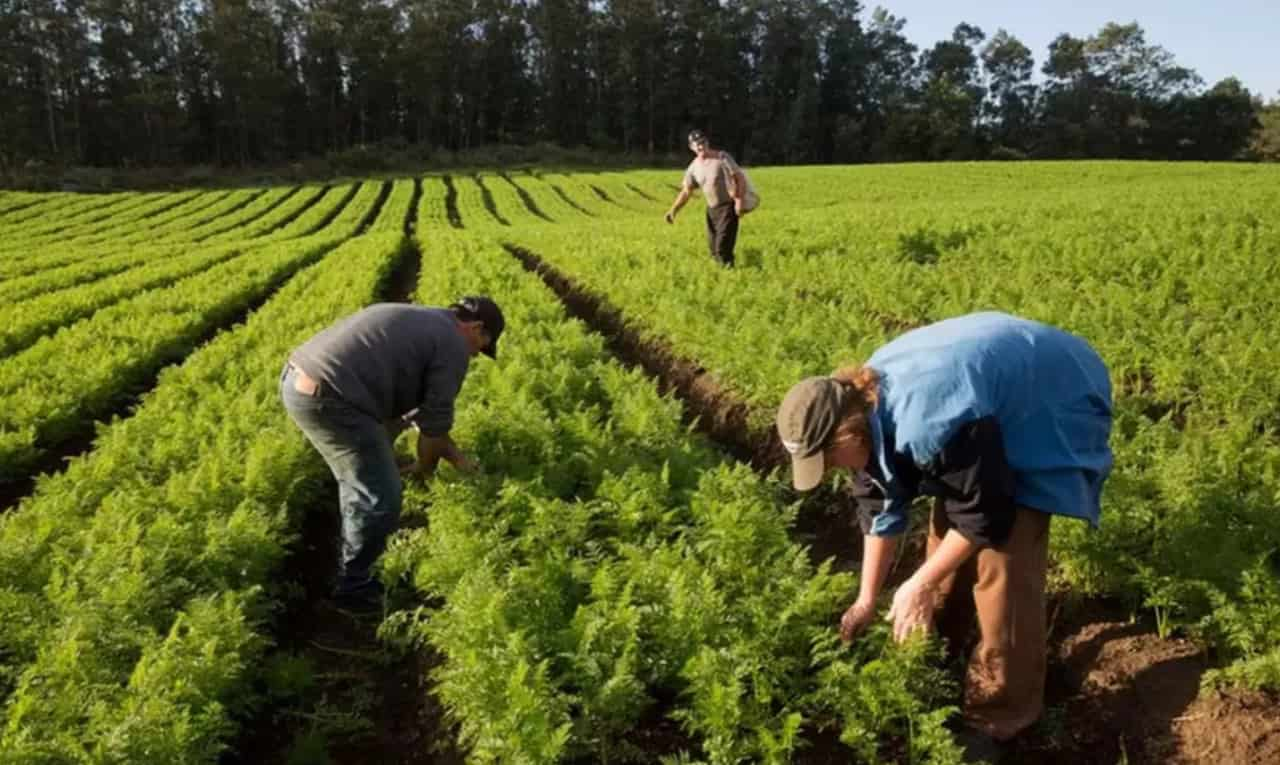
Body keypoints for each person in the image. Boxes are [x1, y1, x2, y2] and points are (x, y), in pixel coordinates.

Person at [775, 311, 1113, 761]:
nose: (834, 471)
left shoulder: (929, 421)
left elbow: (984, 511)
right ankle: (945, 649)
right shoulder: (861, 411)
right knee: (944, 538)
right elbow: (879, 507)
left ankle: (1001, 712)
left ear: (846, 433)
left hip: (1051, 393)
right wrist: (866, 599)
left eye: (830, 460)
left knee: (1002, 557)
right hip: (983, 399)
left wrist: (918, 582)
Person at [281, 296, 505, 611]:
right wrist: (443, 466)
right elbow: (434, 429)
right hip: (333, 398)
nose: (476, 354)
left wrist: (435, 460)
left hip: (300, 377)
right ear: (477, 328)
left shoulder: (424, 321)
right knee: (379, 494)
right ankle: (355, 589)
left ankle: (356, 512)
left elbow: (420, 415)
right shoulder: (453, 345)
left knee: (378, 449)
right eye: (482, 346)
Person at [664, 129, 757, 267]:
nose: (701, 146)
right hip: (712, 211)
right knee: (713, 249)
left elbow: (739, 178)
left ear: (707, 142)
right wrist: (673, 210)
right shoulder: (693, 168)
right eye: (697, 144)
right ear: (691, 147)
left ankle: (729, 275)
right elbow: (686, 191)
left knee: (722, 248)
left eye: (703, 142)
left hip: (728, 207)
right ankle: (723, 275)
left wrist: (739, 202)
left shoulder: (722, 157)